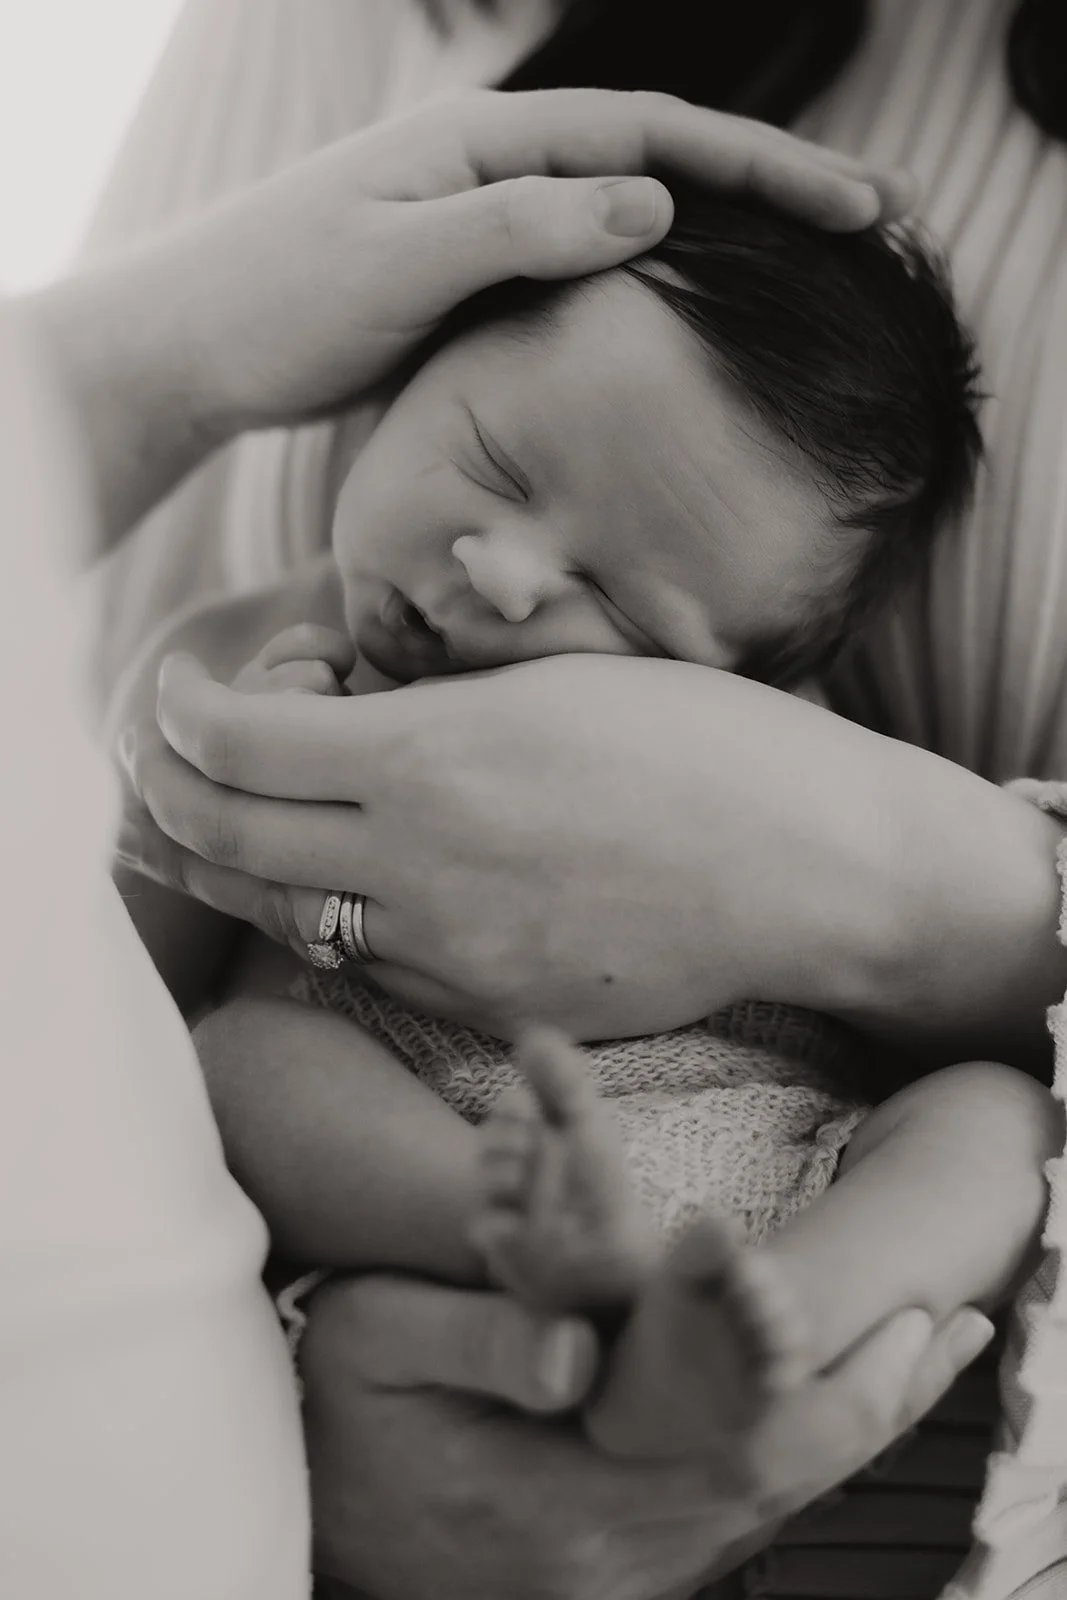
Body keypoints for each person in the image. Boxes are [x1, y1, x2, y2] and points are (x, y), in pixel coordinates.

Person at [105, 4, 1067, 1598]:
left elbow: (943, 989)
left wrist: (908, 870)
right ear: (395, 370)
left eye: (622, 609)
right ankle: (524, 1239)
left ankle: (779, 1349)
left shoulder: (805, 729)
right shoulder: (237, 649)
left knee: (989, 1126)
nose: (500, 573)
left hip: (772, 1149)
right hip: (420, 1140)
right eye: (489, 462)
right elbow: (95, 973)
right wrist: (189, 811)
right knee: (247, 1053)